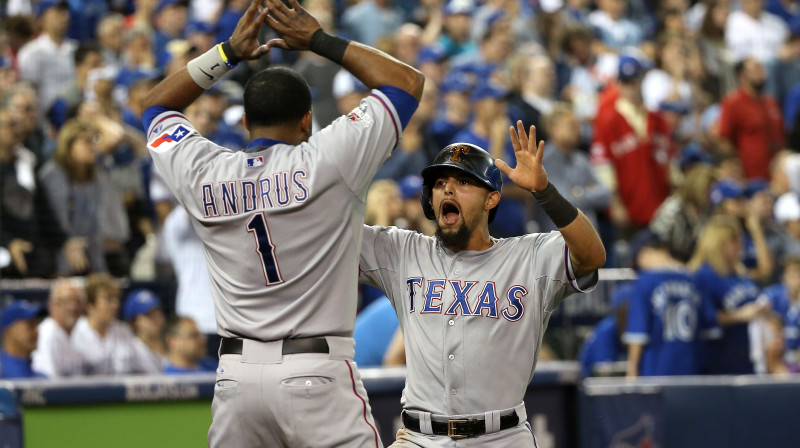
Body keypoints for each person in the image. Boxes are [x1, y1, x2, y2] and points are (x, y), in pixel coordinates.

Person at [140, 0, 423, 445]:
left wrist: (228, 53)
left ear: (247, 121)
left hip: (235, 377)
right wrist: (317, 40)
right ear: (307, 121)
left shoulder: (204, 170)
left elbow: (155, 108)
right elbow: (407, 83)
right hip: (315, 371)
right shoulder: (328, 159)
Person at [359, 123, 605, 444]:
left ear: (491, 200)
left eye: (463, 182)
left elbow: (591, 256)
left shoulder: (528, 256)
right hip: (419, 438)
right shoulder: (403, 251)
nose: (447, 189)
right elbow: (325, 233)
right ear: (429, 200)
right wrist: (355, 171)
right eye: (440, 183)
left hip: (501, 437)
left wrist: (544, 191)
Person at [623, 232, 721, 377]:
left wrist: (631, 373)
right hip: (692, 372)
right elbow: (711, 330)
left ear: (644, 253)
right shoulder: (694, 279)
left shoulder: (645, 282)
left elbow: (638, 335)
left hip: (657, 373)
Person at [688, 215, 771, 374]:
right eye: (734, 241)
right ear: (718, 244)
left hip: (748, 357)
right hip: (720, 360)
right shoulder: (703, 275)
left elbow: (764, 272)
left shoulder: (739, 273)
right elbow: (704, 318)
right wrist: (739, 315)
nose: (740, 246)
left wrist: (762, 309)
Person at [71, 273, 148, 375]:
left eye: (116, 299)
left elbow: (141, 368)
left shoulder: (123, 330)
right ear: (90, 304)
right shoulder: (75, 333)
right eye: (108, 299)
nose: (115, 305)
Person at [31, 278, 87, 378]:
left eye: (78, 301)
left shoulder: (80, 332)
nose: (73, 307)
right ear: (52, 305)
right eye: (67, 301)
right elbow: (49, 381)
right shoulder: (47, 334)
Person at [122, 289, 167, 374]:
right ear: (134, 321)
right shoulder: (129, 350)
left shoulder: (172, 343)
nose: (156, 319)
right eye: (149, 316)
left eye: (158, 314)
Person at [0, 299, 46, 379]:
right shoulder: (3, 374)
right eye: (30, 325)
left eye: (37, 325)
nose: (37, 332)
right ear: (8, 330)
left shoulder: (41, 377)